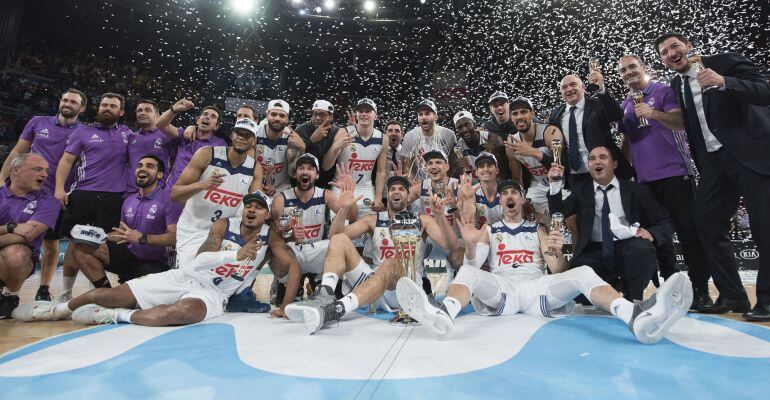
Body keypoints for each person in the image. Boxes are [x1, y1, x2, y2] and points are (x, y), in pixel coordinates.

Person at [395, 179, 693, 344]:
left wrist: (557, 251)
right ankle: (443, 316)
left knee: (584, 271)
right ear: (499, 202)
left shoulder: (539, 229)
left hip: (536, 288)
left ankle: (635, 317)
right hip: (504, 289)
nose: (509, 196)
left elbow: (557, 271)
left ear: (523, 201)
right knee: (467, 275)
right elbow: (472, 269)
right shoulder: (490, 229)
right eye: (504, 194)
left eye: (514, 192)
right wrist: (471, 245)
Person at [13, 192, 278, 326]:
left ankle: (115, 316)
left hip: (213, 294)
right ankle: (58, 310)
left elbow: (291, 259)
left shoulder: (272, 238)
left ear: (267, 216)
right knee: (109, 295)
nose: (252, 210)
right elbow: (199, 261)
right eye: (249, 206)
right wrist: (236, 254)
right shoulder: (223, 224)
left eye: (259, 207)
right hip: (188, 276)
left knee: (181, 314)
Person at [655, 33, 770, 320]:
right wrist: (703, 166)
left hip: (751, 156)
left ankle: (767, 300)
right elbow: (693, 127)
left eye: (675, 47)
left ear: (689, 47)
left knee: (764, 227)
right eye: (664, 52)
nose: (671, 53)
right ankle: (732, 295)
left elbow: (764, 90)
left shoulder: (726, 62)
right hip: (713, 165)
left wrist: (724, 82)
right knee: (705, 224)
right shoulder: (677, 83)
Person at [283, 176, 457, 334]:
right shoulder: (373, 219)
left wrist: (440, 217)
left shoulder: (422, 220)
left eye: (401, 189)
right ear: (387, 195)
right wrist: (343, 209)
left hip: (404, 286)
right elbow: (334, 237)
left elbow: (451, 245)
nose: (396, 192)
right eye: (392, 189)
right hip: (373, 283)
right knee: (340, 241)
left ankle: (336, 309)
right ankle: (324, 296)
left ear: (408, 196)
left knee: (391, 262)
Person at [616, 54, 711, 309]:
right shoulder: (625, 104)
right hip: (644, 180)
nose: (628, 72)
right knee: (659, 238)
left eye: (632, 66)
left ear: (644, 68)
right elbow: (626, 141)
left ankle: (701, 290)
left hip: (675, 173)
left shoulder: (664, 90)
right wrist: (625, 172)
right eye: (623, 70)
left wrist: (653, 113)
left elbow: (681, 122)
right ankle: (669, 287)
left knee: (688, 234)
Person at [547, 146, 674, 301]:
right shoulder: (581, 191)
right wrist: (554, 186)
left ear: (614, 164)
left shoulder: (636, 190)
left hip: (628, 247)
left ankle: (635, 298)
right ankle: (612, 285)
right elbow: (557, 215)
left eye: (602, 157)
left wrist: (651, 233)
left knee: (641, 248)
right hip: (594, 252)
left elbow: (664, 221)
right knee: (579, 297)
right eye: (592, 158)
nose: (597, 161)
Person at [0, 88, 85, 301]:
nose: (67, 104)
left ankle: (44, 288)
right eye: (65, 99)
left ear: (81, 108)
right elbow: (18, 151)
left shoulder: (82, 132)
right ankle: (11, 290)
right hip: (23, 193)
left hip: (55, 197)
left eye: (73, 102)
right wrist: (1, 178)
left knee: (51, 242)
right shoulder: (38, 122)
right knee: (14, 241)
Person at [55, 93, 133, 290]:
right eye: (104, 104)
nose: (107, 108)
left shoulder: (128, 134)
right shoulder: (82, 131)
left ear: (121, 112)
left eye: (112, 106)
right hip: (82, 194)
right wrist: (59, 188)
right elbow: (66, 161)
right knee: (75, 245)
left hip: (114, 199)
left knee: (103, 247)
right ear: (98, 108)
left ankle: (97, 293)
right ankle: (66, 293)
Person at [64, 155, 181, 287]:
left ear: (160, 175)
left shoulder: (169, 199)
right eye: (139, 166)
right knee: (80, 246)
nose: (143, 168)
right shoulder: (128, 201)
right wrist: (97, 235)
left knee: (136, 303)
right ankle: (104, 292)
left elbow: (175, 238)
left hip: (155, 263)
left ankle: (114, 296)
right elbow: (122, 234)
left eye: (150, 166)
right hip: (128, 258)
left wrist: (143, 238)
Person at [268, 154, 359, 317]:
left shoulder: (325, 195)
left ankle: (322, 285)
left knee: (339, 242)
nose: (305, 171)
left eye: (310, 168)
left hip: (316, 251)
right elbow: (275, 235)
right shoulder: (281, 199)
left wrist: (349, 201)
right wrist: (290, 235)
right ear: (295, 174)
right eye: (301, 168)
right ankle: (284, 284)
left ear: (316, 175)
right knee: (274, 251)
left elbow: (352, 217)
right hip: (292, 252)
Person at [171, 118, 261, 269]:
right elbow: (174, 194)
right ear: (232, 135)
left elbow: (257, 205)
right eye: (239, 133)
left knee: (220, 277)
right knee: (189, 273)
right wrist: (202, 185)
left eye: (247, 135)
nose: (241, 137)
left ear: (254, 141)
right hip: (193, 229)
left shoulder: (255, 168)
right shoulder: (207, 154)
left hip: (223, 231)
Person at [0, 153, 60, 318]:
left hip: (24, 258)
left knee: (16, 253)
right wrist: (11, 227)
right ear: (15, 171)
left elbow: (28, 234)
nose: (45, 175)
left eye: (46, 170)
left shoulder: (49, 202)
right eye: (38, 169)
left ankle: (10, 296)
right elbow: (19, 231)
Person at [549, 73, 633, 187]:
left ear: (583, 87)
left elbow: (616, 115)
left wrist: (601, 90)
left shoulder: (598, 104)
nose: (569, 89)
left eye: (573, 85)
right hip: (575, 176)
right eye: (564, 87)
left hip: (604, 170)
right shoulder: (555, 114)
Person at [505, 96, 569, 223]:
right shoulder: (512, 143)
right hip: (541, 186)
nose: (519, 117)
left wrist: (533, 152)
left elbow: (560, 165)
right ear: (512, 117)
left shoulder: (550, 132)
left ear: (532, 113)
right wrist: (522, 200)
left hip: (564, 184)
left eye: (524, 112)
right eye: (515, 114)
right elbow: (517, 179)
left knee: (570, 221)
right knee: (537, 222)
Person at [323, 98, 388, 217]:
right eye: (360, 111)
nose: (363, 114)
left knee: (367, 232)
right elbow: (326, 166)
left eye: (368, 111)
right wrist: (335, 147)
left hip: (366, 190)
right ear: (356, 114)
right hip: (341, 188)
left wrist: (378, 197)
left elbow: (381, 171)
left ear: (376, 115)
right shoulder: (344, 132)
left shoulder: (383, 138)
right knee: (341, 232)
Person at [156, 99, 228, 188]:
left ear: (216, 126)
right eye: (205, 114)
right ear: (198, 120)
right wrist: (174, 109)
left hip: (196, 195)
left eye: (213, 116)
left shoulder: (220, 144)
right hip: (170, 191)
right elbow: (160, 124)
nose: (207, 117)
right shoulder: (184, 134)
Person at [255, 100, 305, 198]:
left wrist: (302, 148)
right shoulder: (255, 134)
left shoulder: (291, 138)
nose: (277, 118)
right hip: (254, 185)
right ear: (267, 115)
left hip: (282, 188)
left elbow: (293, 174)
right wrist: (259, 185)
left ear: (287, 120)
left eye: (282, 116)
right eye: (273, 114)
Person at [126, 99, 178, 193]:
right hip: (130, 193)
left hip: (157, 193)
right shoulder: (131, 137)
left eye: (147, 110)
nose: (142, 113)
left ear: (157, 115)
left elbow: (176, 165)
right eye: (139, 110)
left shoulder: (168, 136)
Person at [399, 99, 456, 181]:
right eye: (420, 114)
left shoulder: (448, 134)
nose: (423, 117)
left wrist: (448, 182)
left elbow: (454, 163)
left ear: (436, 116)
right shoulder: (410, 136)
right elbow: (407, 165)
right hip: (420, 183)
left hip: (444, 182)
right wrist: (412, 182)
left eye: (427, 114)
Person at [448, 111, 510, 180]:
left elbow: (507, 168)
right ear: (457, 131)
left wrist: (495, 155)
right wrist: (459, 168)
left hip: (494, 182)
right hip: (473, 185)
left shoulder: (492, 139)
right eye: (460, 127)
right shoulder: (457, 150)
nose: (464, 130)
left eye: (467, 125)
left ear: (474, 125)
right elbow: (452, 177)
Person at [294, 100, 341, 188]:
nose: (317, 118)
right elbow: (297, 159)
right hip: (303, 182)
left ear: (331, 117)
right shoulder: (301, 129)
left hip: (327, 183)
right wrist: (312, 141)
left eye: (322, 114)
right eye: (315, 114)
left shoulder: (337, 132)